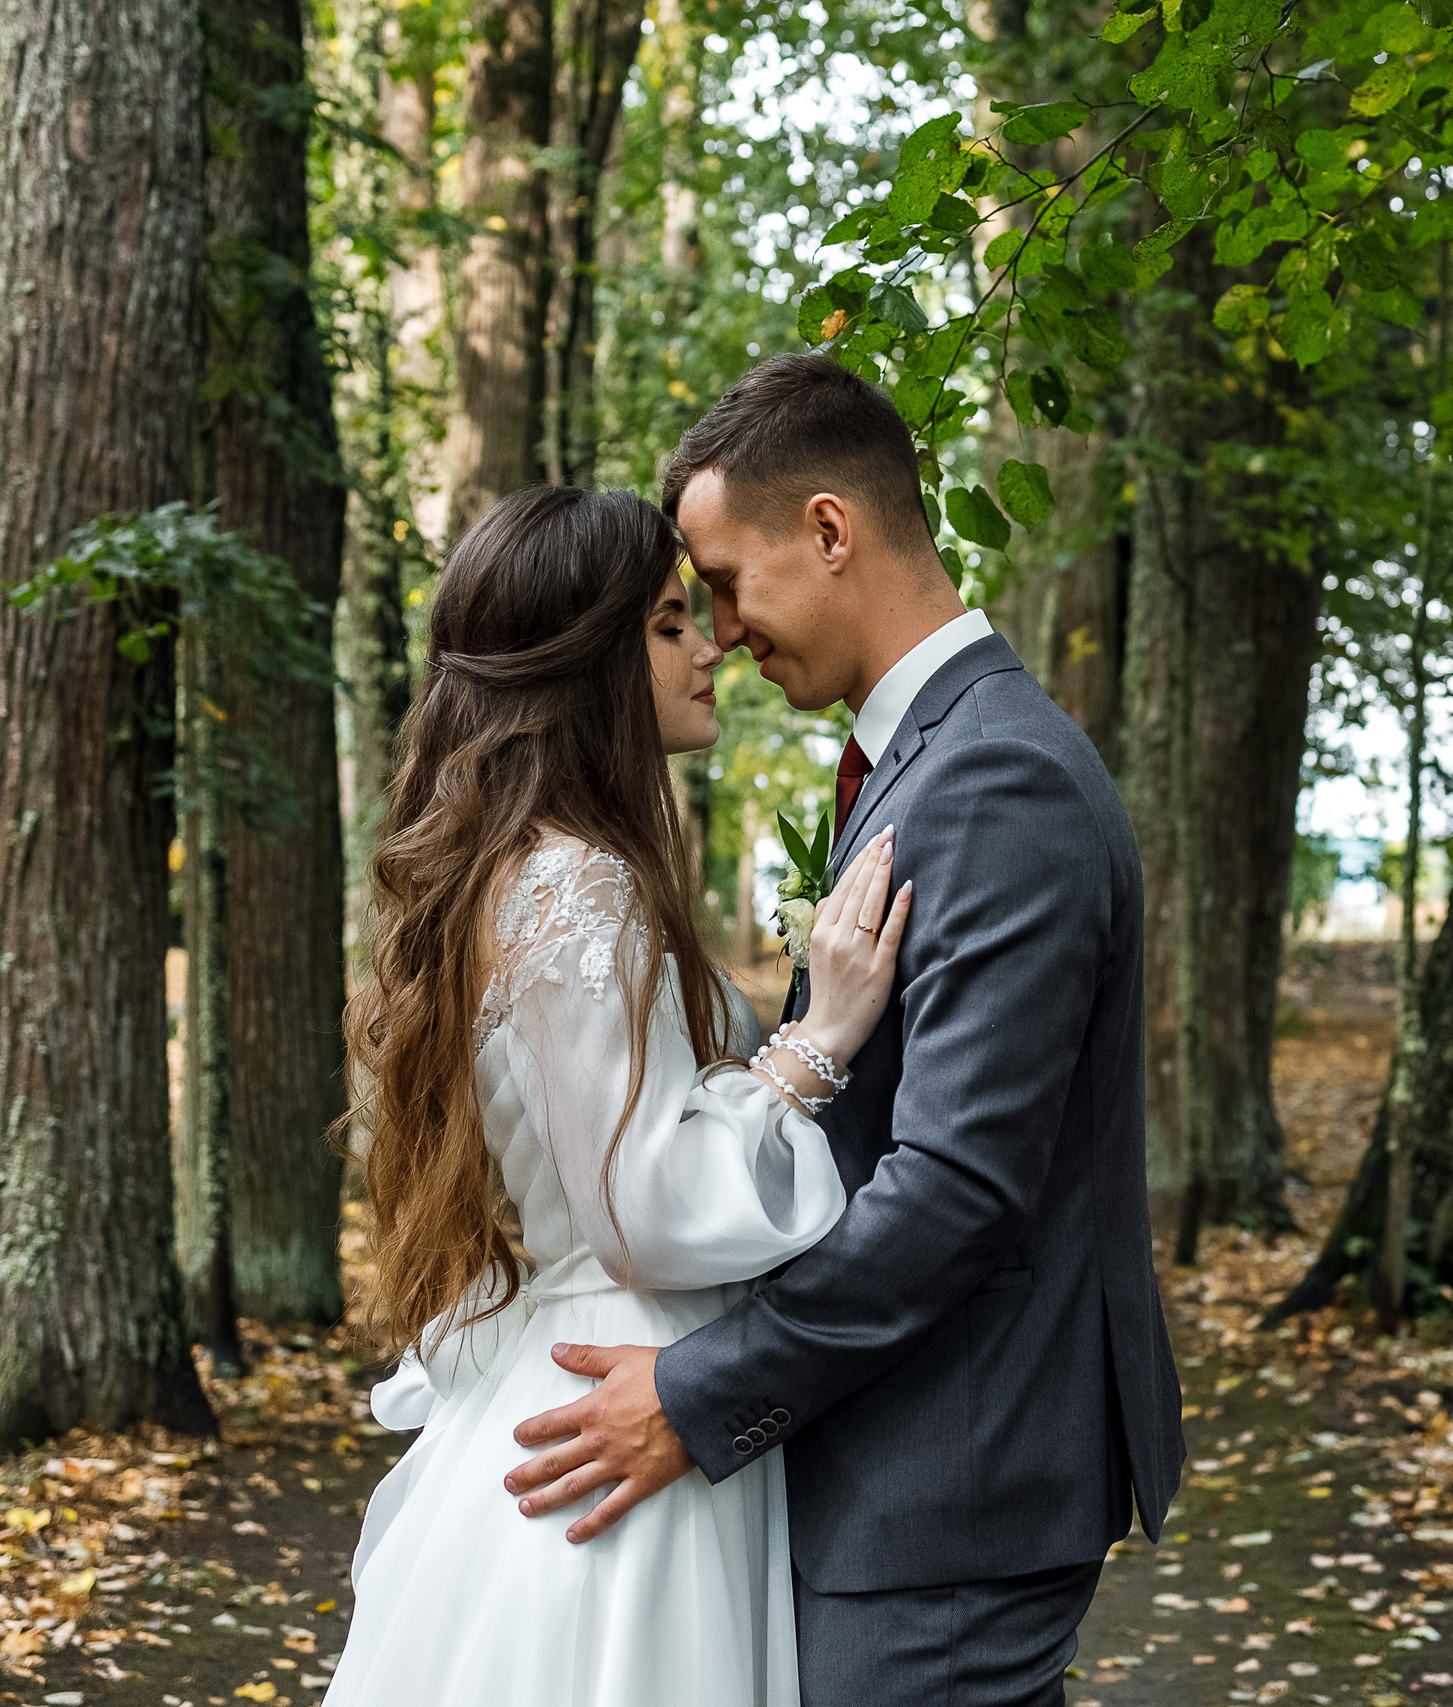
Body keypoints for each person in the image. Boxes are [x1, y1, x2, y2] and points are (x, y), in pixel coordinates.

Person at [501, 353, 1184, 1705]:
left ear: (827, 528)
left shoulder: (991, 774)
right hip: (908, 1459)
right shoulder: (932, 756)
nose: (727, 633)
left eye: (726, 583)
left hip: (952, 1475)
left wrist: (699, 1392)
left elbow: (957, 1187)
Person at [327, 484, 911, 1705]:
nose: (711, 647)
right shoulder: (578, 885)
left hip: (570, 1367)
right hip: (626, 1380)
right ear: (579, 662)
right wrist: (820, 1039)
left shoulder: (522, 869)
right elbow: (643, 1208)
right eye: (663, 625)